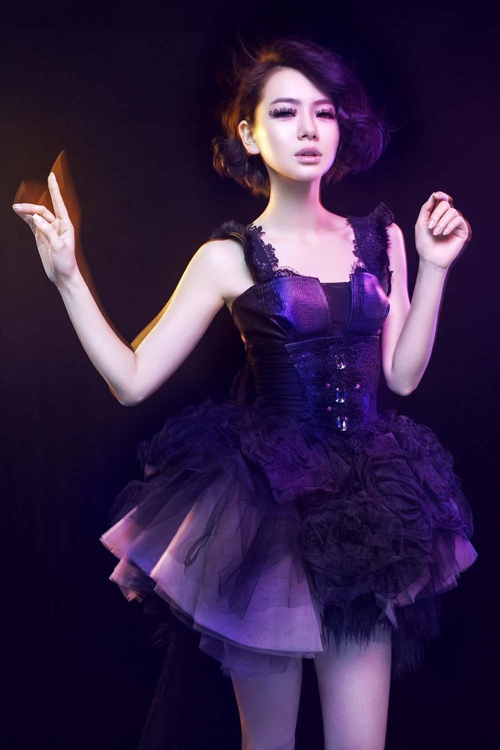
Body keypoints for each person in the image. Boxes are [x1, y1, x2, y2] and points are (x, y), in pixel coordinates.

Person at [13, 35, 477, 750]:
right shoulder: (226, 257)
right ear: (249, 135)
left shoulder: (381, 239)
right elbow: (131, 381)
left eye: (324, 112)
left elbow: (403, 377)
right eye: (285, 112)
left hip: (371, 510)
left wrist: (434, 265)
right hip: (266, 513)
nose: (309, 129)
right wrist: (69, 278)